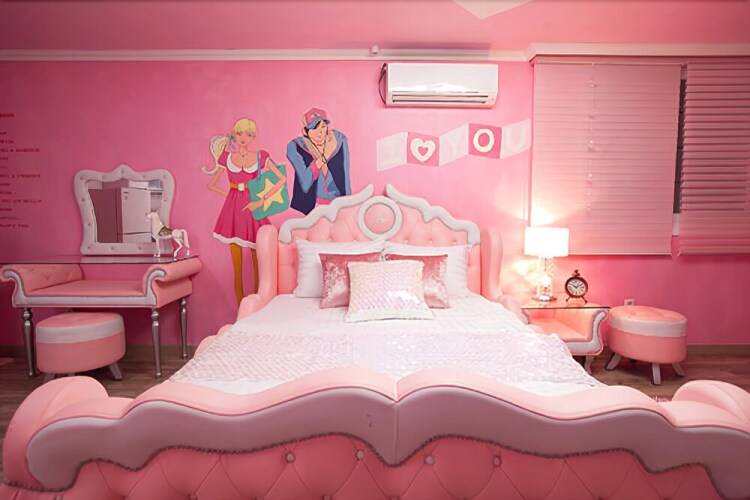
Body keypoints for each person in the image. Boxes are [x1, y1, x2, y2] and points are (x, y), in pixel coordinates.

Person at [203, 117, 286, 304]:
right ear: (234, 134)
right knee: (237, 264)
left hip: (253, 206)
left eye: (248, 134)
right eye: (239, 133)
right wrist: (231, 195)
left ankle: (257, 301)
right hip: (233, 209)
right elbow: (212, 184)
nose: (243, 138)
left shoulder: (260, 156)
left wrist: (262, 200)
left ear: (253, 137)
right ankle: (241, 305)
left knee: (258, 258)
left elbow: (281, 179)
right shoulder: (227, 158)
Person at [286, 107, 350, 215]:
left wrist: (347, 205)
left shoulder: (338, 140)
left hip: (337, 203)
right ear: (305, 131)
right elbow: (305, 183)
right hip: (310, 208)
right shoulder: (295, 147)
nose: (320, 132)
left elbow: (345, 175)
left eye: (323, 126)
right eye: (314, 128)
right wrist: (325, 156)